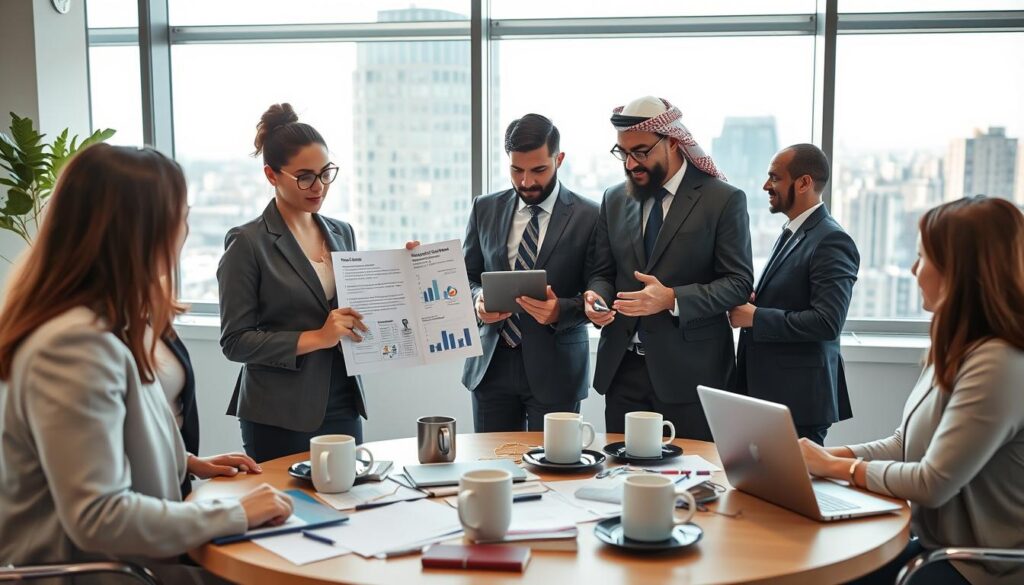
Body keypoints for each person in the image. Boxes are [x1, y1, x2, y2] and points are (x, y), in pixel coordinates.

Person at [0, 144, 293, 582]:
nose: (185, 230)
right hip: (106, 572)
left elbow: (108, 436)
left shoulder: (107, 323)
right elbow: (99, 515)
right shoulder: (74, 344)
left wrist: (184, 460)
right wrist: (234, 514)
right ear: (141, 231)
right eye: (181, 215)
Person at [800, 196, 1024, 585]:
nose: (913, 269)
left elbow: (932, 483)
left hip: (980, 566)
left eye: (923, 258)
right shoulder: (956, 344)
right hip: (938, 544)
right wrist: (821, 456)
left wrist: (836, 469)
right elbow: (906, 443)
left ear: (960, 271)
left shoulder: (999, 363)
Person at [585, 96, 753, 440]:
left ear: (673, 142)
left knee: (690, 482)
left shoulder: (722, 199)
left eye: (641, 152)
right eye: (623, 153)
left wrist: (672, 298)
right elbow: (602, 272)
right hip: (622, 371)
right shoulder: (614, 199)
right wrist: (595, 298)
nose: (631, 164)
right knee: (622, 481)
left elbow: (738, 283)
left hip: (691, 375)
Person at [218, 103, 369, 463]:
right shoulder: (248, 242)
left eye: (326, 173)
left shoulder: (341, 232)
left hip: (344, 400)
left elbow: (359, 306)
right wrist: (318, 337)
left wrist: (407, 269)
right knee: (291, 512)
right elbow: (235, 342)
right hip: (279, 412)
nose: (319, 187)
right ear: (272, 175)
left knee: (349, 507)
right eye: (305, 177)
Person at [463, 114, 599, 431]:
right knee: (492, 470)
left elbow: (600, 289)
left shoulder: (590, 216)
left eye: (538, 170)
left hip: (557, 368)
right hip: (491, 365)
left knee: (555, 470)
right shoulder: (484, 208)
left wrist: (560, 311)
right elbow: (465, 277)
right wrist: (477, 301)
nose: (526, 182)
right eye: (516, 170)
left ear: (559, 159)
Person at [729, 144, 859, 445]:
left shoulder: (832, 240)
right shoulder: (793, 230)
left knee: (792, 491)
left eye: (774, 177)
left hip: (798, 401)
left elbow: (827, 322)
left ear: (804, 183)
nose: (766, 186)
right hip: (771, 395)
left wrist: (756, 317)